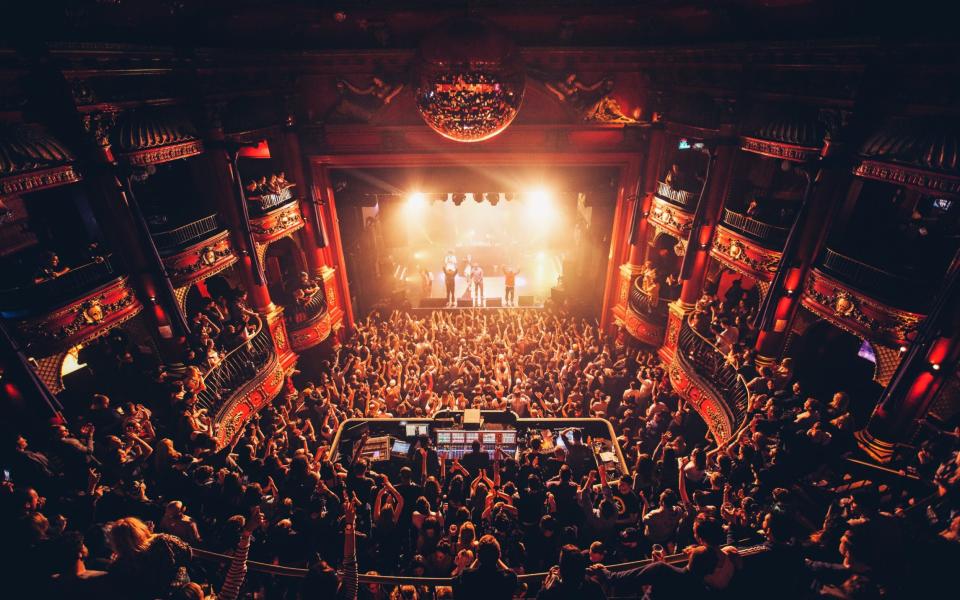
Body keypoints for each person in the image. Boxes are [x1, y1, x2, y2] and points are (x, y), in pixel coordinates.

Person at [452, 535, 518, 600]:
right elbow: (510, 573)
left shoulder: (466, 576)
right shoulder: (509, 577)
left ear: (477, 555)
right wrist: (496, 557)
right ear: (499, 555)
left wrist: (477, 559)